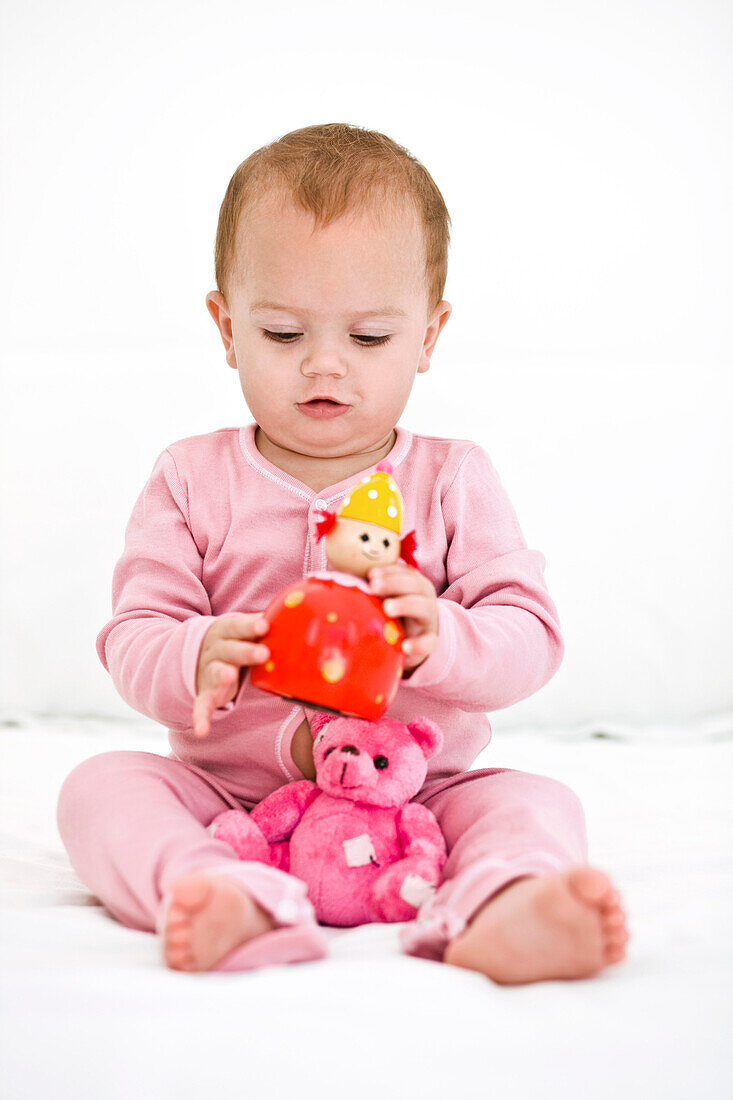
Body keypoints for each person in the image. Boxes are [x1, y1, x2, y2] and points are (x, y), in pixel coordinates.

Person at [57, 122, 629, 982]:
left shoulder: (451, 478)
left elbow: (529, 636)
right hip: (236, 802)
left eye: (368, 339)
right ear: (225, 328)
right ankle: (216, 894)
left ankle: (503, 906)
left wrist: (439, 634)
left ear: (429, 336)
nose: (325, 366)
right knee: (98, 789)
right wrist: (196, 653)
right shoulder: (188, 477)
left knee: (535, 800)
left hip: (416, 799)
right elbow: (135, 632)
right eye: (284, 334)